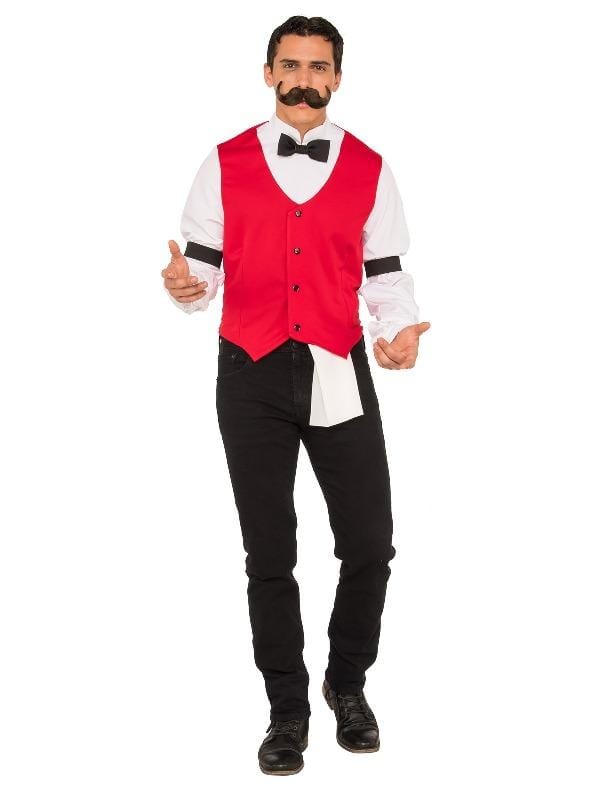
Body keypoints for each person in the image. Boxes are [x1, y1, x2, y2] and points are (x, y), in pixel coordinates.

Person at [161, 15, 430, 776]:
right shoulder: (224, 161)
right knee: (270, 550)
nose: (303, 79)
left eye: (318, 66)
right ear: (269, 72)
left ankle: (347, 683)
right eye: (290, 64)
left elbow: (385, 278)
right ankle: (286, 707)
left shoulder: (371, 167)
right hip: (249, 370)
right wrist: (186, 285)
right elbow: (202, 267)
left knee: (370, 542)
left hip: (339, 363)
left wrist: (399, 331)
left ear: (337, 77)